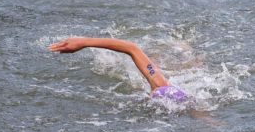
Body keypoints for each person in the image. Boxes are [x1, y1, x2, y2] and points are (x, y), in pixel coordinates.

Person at [48, 37, 190, 103]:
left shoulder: (160, 86)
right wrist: (84, 42)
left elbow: (131, 48)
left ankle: (183, 48)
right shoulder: (160, 85)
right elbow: (131, 47)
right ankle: (182, 48)